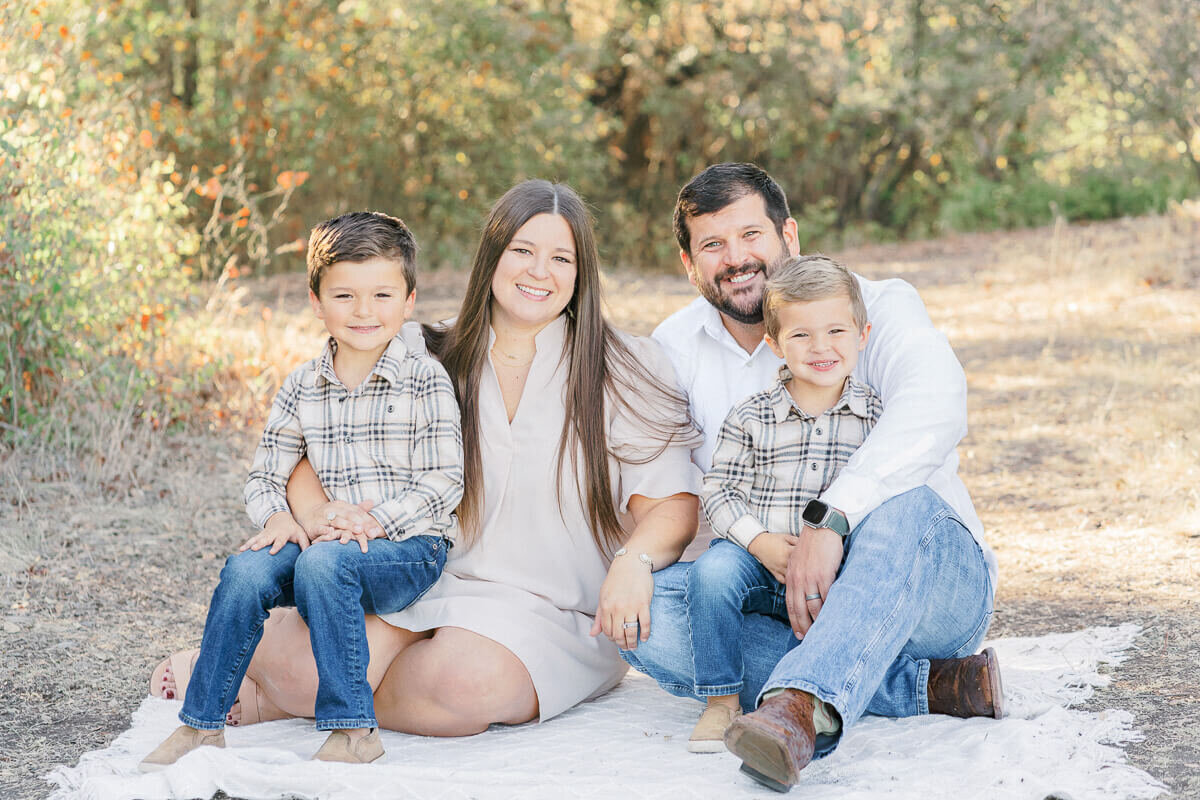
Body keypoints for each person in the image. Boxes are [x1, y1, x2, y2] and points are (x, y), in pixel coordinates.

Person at [147, 180, 703, 742]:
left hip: (552, 611)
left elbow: (672, 507)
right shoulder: (421, 351)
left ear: (582, 273)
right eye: (522, 251)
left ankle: (283, 699)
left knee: (459, 686)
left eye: (561, 257)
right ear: (491, 256)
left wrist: (633, 561)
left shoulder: (627, 367)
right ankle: (294, 684)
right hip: (422, 575)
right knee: (301, 662)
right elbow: (302, 445)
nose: (540, 271)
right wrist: (321, 518)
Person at [621, 163, 1003, 792]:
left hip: (924, 592)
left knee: (905, 503)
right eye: (713, 245)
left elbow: (937, 403)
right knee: (647, 615)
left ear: (789, 237)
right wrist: (650, 560)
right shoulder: (675, 347)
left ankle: (799, 710)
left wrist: (832, 521)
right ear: (689, 264)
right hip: (786, 597)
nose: (737, 259)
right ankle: (924, 684)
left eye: (751, 236)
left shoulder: (873, 307)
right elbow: (682, 491)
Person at [141, 212, 465, 770]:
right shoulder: (301, 385)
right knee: (246, 570)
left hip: (407, 548)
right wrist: (278, 520)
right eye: (345, 295)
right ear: (316, 301)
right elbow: (267, 474)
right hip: (324, 541)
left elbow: (444, 481)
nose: (364, 311)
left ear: (409, 301)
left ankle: (354, 729)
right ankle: (202, 726)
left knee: (322, 564)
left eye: (383, 294)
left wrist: (375, 520)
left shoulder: (425, 378)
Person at [684, 254, 884, 753]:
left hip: (832, 581)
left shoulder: (876, 417)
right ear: (774, 344)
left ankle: (812, 698)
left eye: (837, 331)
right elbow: (719, 488)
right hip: (759, 560)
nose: (821, 347)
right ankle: (721, 700)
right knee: (707, 576)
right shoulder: (753, 416)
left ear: (863, 334)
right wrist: (761, 541)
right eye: (801, 335)